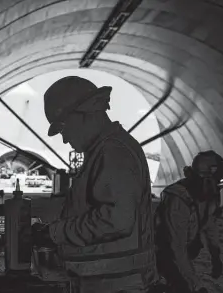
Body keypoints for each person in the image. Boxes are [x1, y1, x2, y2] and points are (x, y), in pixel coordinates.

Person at [32, 76, 156, 293]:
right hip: (109, 279)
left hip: (115, 283)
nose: (64, 139)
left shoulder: (113, 152)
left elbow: (117, 220)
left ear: (84, 114)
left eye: (63, 128)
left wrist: (54, 233)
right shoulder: (104, 150)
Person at [154, 151, 223, 293]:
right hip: (160, 254)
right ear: (205, 179)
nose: (220, 186)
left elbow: (209, 224)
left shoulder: (208, 194)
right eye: (218, 181)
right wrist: (195, 285)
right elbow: (176, 247)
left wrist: (215, 255)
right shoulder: (178, 200)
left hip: (184, 250)